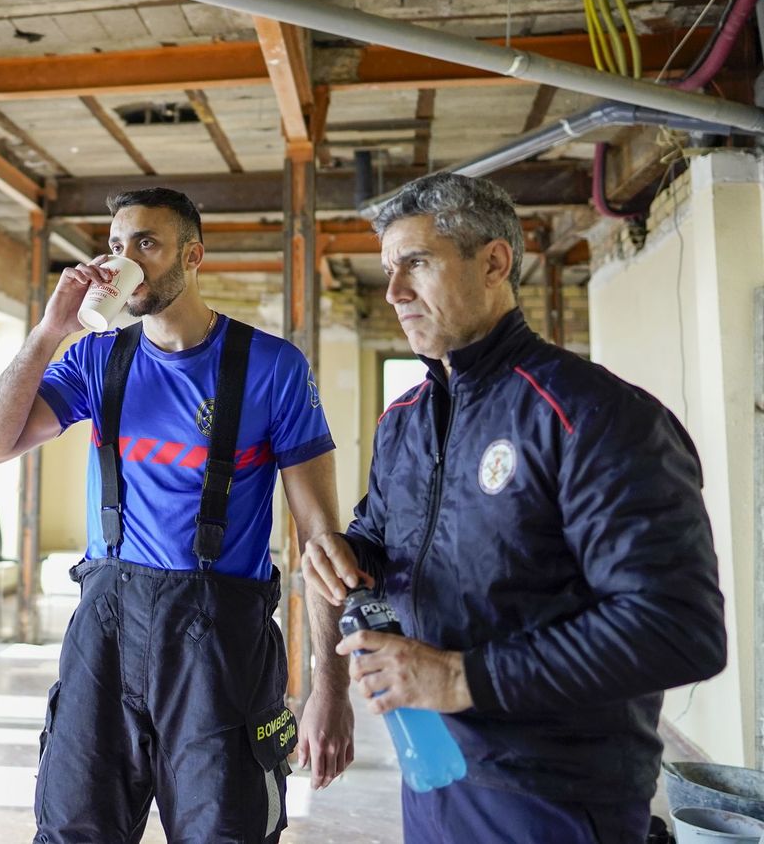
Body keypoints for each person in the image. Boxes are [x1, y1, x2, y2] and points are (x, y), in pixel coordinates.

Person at [303, 172, 726, 844]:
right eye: (389, 269)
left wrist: (462, 678)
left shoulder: (591, 413)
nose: (393, 292)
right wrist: (348, 555)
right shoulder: (405, 421)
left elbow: (677, 630)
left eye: (416, 263)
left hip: (555, 793)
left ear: (494, 261)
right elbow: (385, 544)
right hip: (434, 772)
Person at [0, 187, 354, 843]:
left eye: (147, 243)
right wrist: (47, 332)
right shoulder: (98, 359)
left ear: (192, 255)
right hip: (106, 628)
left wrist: (330, 688)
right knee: (72, 828)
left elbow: (321, 541)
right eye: (117, 246)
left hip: (219, 642)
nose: (128, 261)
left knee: (225, 831)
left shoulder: (271, 368)